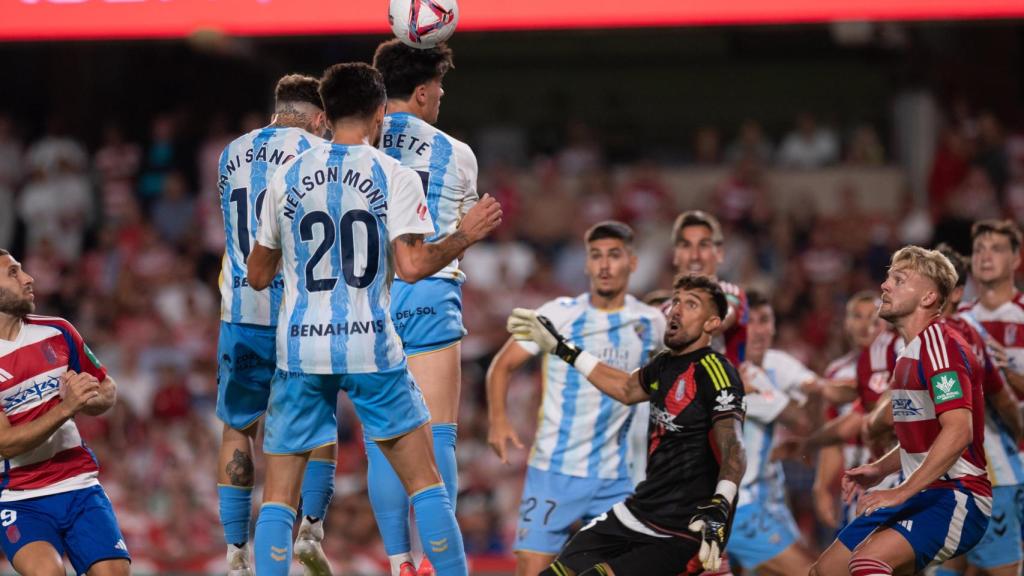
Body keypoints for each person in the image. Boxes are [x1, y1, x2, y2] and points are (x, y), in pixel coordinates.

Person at [246, 62, 501, 576]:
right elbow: (411, 267)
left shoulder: (287, 176)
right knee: (426, 481)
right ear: (380, 113)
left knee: (278, 494)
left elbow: (256, 275)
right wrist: (465, 235)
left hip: (300, 348)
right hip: (370, 346)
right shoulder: (394, 174)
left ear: (325, 115)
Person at [509, 274, 747, 576]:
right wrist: (563, 348)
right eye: (676, 301)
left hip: (682, 530)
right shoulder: (663, 364)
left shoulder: (717, 372)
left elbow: (734, 446)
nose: (676, 310)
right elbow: (625, 388)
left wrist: (722, 503)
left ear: (712, 323)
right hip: (637, 512)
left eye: (691, 304)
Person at [486, 221, 665, 576]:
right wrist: (498, 421)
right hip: (554, 471)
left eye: (614, 255)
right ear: (585, 264)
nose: (604, 265)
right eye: (595, 256)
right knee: (531, 571)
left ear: (632, 262)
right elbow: (502, 366)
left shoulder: (652, 323)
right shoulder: (559, 313)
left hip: (618, 477)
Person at [214, 73, 336, 576]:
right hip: (298, 314)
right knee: (317, 414)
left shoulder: (229, 153)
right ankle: (310, 527)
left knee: (237, 427)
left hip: (240, 311)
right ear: (320, 118)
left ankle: (234, 550)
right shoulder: (319, 154)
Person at [811, 246, 991, 575]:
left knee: (867, 563)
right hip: (919, 489)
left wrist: (901, 491)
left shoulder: (940, 345)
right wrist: (879, 469)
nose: (884, 285)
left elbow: (958, 430)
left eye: (899, 279)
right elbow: (921, 438)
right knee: (825, 571)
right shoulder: (908, 352)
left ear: (928, 298)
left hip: (957, 494)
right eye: (888, 277)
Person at [369, 40, 478, 576]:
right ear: (420, 91)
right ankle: (440, 559)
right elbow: (461, 231)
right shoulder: (455, 151)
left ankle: (398, 560)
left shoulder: (350, 142)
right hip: (430, 292)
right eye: (439, 86)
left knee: (383, 434)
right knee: (438, 433)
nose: (442, 95)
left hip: (367, 299)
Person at [0, 249, 130, 576]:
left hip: (79, 484)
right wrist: (67, 406)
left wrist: (87, 398)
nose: (28, 279)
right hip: (19, 496)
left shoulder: (57, 331)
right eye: (13, 273)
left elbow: (106, 387)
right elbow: (6, 444)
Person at [729, 291, 815, 574]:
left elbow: (810, 403)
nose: (757, 330)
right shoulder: (736, 373)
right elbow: (798, 417)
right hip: (739, 505)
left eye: (764, 320)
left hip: (763, 499)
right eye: (749, 321)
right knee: (813, 571)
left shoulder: (774, 363)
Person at [812, 291, 883, 531]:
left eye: (873, 317)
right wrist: (821, 487)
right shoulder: (836, 372)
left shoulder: (901, 363)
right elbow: (832, 441)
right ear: (846, 323)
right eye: (857, 316)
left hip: (892, 476)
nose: (865, 325)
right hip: (855, 484)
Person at [671, 211, 747, 365]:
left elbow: (721, 320)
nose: (694, 256)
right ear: (675, 255)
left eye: (703, 245)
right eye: (686, 245)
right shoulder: (665, 308)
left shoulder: (730, 294)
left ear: (719, 253)